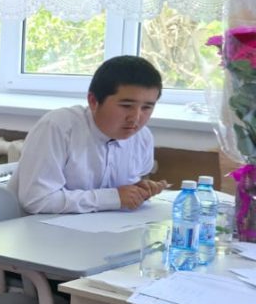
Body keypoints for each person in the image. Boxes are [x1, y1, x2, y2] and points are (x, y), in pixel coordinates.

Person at [13, 55, 166, 213]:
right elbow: (36, 199)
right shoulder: (58, 127)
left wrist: (137, 191)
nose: (136, 118)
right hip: (36, 225)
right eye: (126, 106)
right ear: (93, 101)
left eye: (147, 108)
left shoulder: (142, 137)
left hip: (105, 226)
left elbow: (119, 193)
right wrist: (113, 198)